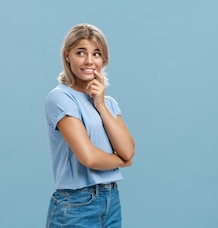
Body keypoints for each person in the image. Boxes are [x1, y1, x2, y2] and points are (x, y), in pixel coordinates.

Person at [44, 23, 135, 228]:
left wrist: (100, 105)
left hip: (111, 200)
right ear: (68, 55)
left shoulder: (108, 103)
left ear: (104, 59)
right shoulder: (61, 98)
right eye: (81, 52)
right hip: (77, 203)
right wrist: (121, 161)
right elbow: (89, 157)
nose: (89, 61)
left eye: (96, 54)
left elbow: (129, 150)